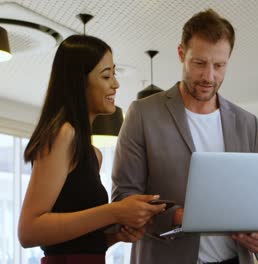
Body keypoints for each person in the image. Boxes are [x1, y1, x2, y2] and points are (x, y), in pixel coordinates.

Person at [111, 8, 258, 264]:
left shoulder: (247, 123)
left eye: (219, 65)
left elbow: (256, 200)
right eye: (199, 63)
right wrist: (180, 216)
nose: (209, 76)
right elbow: (124, 197)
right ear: (181, 54)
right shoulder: (143, 114)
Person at [18, 35, 166, 264]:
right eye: (106, 75)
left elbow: (75, 243)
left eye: (114, 74)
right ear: (80, 82)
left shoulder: (93, 154)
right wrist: (115, 211)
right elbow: (29, 232)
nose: (115, 84)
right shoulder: (63, 135)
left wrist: (114, 236)